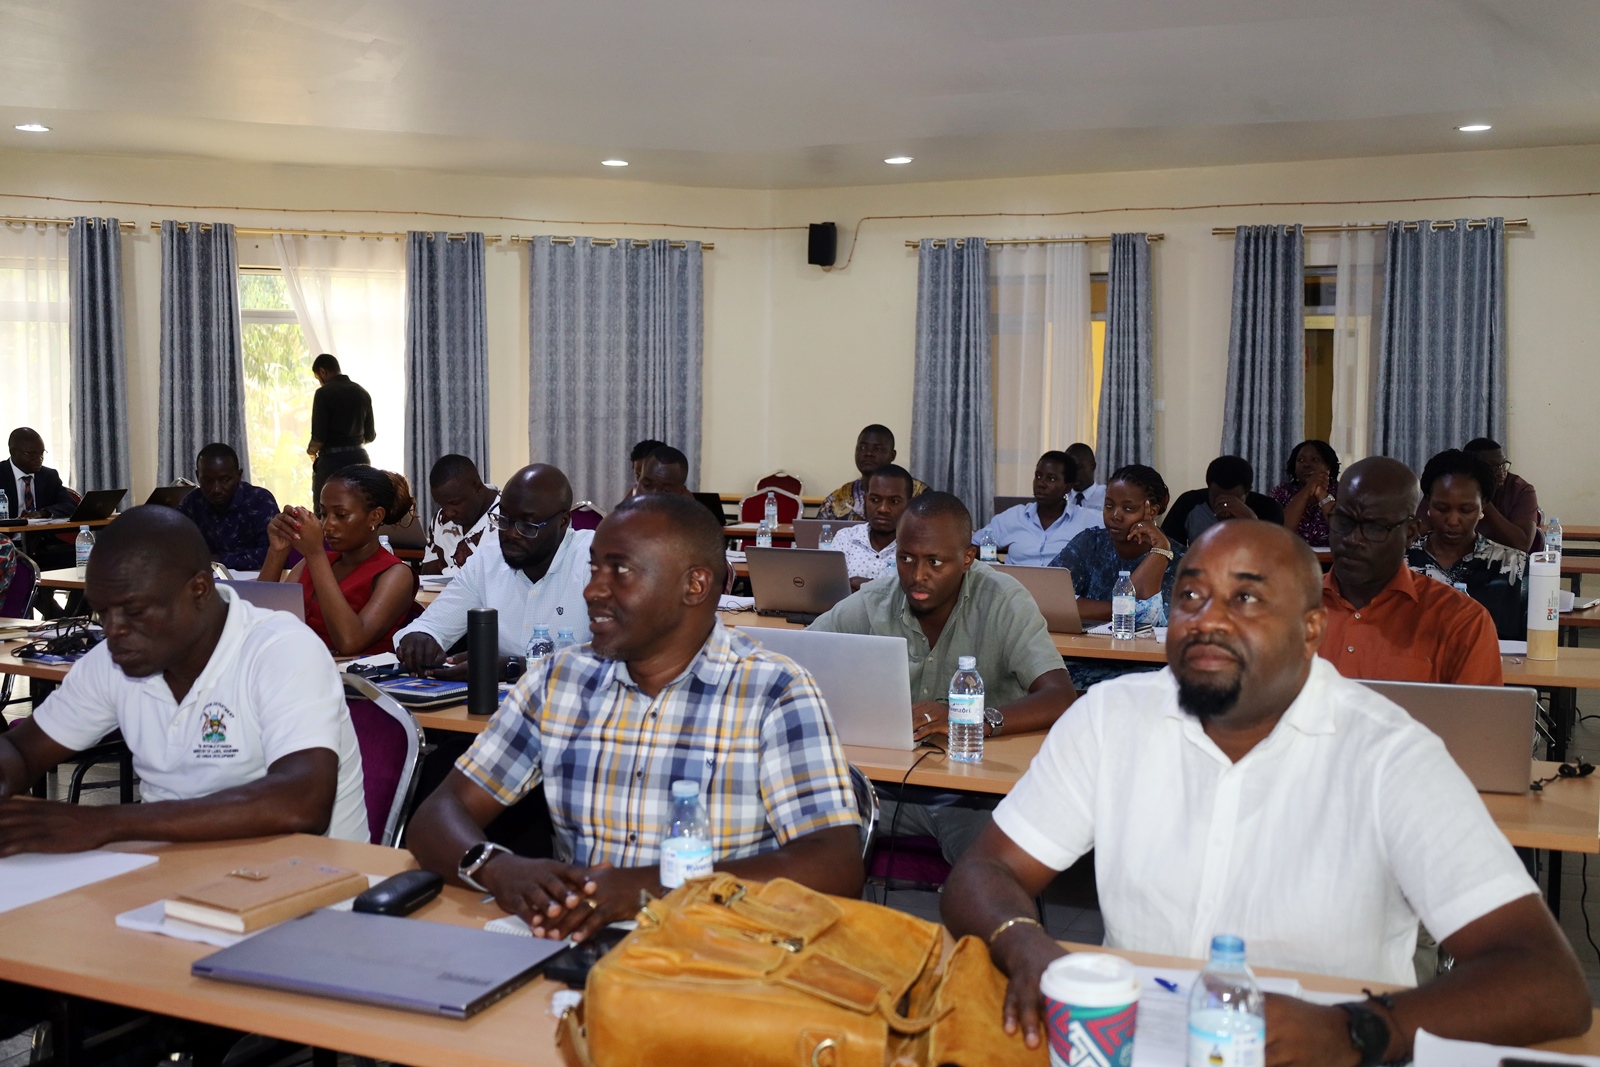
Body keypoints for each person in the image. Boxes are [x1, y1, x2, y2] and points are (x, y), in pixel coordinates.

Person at [941, 521, 1589, 1059]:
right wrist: (1024, 941)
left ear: (1311, 630)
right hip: (1136, 1043)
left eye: (1246, 599)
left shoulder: (1389, 754)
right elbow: (984, 870)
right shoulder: (1109, 719)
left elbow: (1546, 980)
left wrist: (1355, 1028)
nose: (1207, 620)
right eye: (1190, 596)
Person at [406, 493, 862, 943]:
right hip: (578, 943)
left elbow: (834, 865)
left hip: (719, 953)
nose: (593, 590)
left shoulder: (774, 692)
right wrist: (499, 868)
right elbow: (439, 815)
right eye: (593, 569)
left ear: (695, 585)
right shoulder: (560, 681)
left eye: (620, 571)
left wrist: (651, 890)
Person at [0, 506, 368, 851]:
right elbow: (20, 750)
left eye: (135, 611)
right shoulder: (116, 658)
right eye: (102, 613)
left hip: (309, 890)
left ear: (199, 590)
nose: (113, 630)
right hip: (169, 877)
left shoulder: (281, 649)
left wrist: (108, 822)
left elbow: (302, 803)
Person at [809, 492, 1076, 862]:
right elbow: (798, 656)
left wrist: (975, 722)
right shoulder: (877, 599)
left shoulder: (1004, 600)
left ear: (967, 558)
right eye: (906, 558)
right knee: (804, 830)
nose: (917, 575)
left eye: (935, 561)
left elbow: (1060, 696)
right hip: (884, 787)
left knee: (985, 877)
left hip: (976, 794)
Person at [397, 464, 593, 679]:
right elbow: (432, 625)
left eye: (527, 526)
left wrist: (513, 666)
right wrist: (419, 639)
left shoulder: (594, 560)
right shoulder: (487, 560)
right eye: (504, 520)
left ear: (562, 522)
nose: (510, 534)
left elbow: (614, 660)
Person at [1322, 456, 1502, 685]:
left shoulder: (1461, 622)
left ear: (1409, 533)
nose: (1353, 539)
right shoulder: (1287, 607)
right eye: (1344, 521)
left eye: (1375, 527)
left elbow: (1477, 720)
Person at [259, 466, 417, 657]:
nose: (327, 526)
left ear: (375, 516)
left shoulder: (395, 574)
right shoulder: (314, 562)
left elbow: (350, 642)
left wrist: (316, 554)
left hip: (348, 678)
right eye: (323, 514)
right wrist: (277, 552)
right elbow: (260, 622)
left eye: (341, 515)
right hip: (294, 662)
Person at [1048, 464, 1182, 689]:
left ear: (1153, 510)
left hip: (1151, 674)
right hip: (1083, 663)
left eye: (1128, 509)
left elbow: (1142, 615)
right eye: (1109, 505)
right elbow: (1049, 601)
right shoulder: (1090, 543)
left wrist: (1160, 549)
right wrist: (1118, 609)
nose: (1115, 515)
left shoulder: (1183, 560)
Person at [1408, 449, 1528, 641]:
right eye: (1442, 508)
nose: (1453, 520)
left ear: (1483, 506)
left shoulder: (1514, 566)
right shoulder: (1401, 562)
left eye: (1466, 510)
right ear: (1428, 503)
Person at [971, 451, 1102, 566]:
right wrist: (999, 569)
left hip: (1063, 592)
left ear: (1067, 487)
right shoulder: (1014, 517)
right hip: (1016, 591)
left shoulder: (1086, 519)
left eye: (1051, 479)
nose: (1041, 484)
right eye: (1038, 476)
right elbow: (974, 545)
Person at [176, 443, 279, 571]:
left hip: (257, 581)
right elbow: (176, 547)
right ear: (198, 477)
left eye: (225, 480)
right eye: (207, 481)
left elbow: (273, 553)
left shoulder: (259, 500)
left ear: (238, 475)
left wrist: (219, 560)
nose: (216, 489)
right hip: (208, 583)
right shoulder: (193, 502)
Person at [1161, 455, 1285, 545]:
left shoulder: (1268, 508)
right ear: (1208, 487)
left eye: (1234, 499)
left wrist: (1251, 522)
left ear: (1247, 492)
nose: (1224, 504)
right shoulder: (1189, 502)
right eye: (1217, 497)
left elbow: (1277, 555)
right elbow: (1169, 547)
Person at [2, 427, 77, 571]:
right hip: (7, 545)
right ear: (13, 453)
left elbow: (70, 505)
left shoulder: (49, 476)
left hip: (43, 543)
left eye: (41, 453)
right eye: (31, 454)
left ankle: (70, 593)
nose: (39, 459)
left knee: (85, 559)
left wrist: (43, 513)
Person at [816, 425, 928, 521]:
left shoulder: (920, 495)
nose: (869, 453)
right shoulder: (837, 499)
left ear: (892, 455)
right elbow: (816, 539)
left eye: (878, 449)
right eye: (863, 447)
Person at [829, 464, 913, 589]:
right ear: (865, 500)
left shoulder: (917, 546)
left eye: (894, 501)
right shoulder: (846, 538)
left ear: (910, 504)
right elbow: (827, 588)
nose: (883, 509)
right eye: (875, 500)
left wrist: (863, 585)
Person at [306, 354, 376, 503]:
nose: (320, 382)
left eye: (318, 378)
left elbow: (319, 437)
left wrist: (311, 451)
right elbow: (370, 435)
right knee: (361, 507)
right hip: (360, 460)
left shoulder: (323, 394)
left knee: (326, 510)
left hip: (332, 464)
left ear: (323, 372)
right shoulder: (362, 392)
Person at [419, 454, 500, 577]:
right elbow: (428, 576)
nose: (448, 512)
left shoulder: (509, 521)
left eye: (454, 503)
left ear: (477, 488)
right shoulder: (442, 519)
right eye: (441, 504)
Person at [1463, 437, 1542, 553]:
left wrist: (1483, 499)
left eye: (1503, 464)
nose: (1501, 472)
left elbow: (1523, 544)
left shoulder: (1521, 490)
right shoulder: (1452, 486)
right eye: (1493, 467)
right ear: (1472, 468)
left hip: (1505, 562)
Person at [1269, 439, 1339, 547]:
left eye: (1315, 459)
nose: (1306, 465)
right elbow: (1280, 532)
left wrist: (1321, 494)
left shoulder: (1342, 491)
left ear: (1328, 466)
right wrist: (1307, 490)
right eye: (1300, 460)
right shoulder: (1281, 492)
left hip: (1334, 561)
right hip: (1290, 560)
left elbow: (1342, 530)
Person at [1064, 442, 1105, 510]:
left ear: (1092, 466)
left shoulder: (1106, 496)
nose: (1073, 473)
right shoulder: (1060, 497)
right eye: (1069, 469)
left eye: (1078, 468)